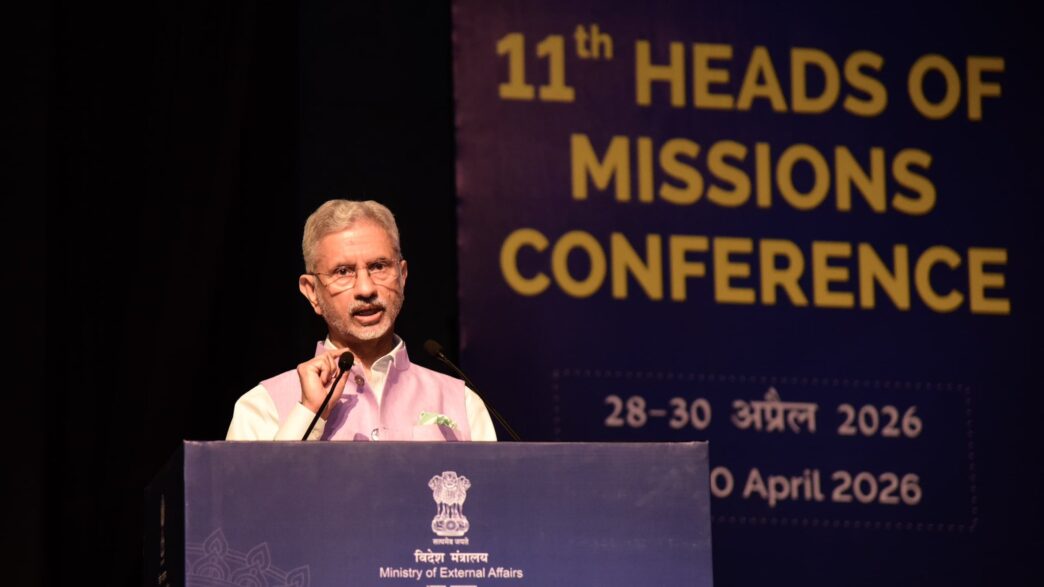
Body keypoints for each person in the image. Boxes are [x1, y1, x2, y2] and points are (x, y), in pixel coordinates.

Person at [226, 199, 496, 441]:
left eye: (379, 266)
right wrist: (309, 413)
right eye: (343, 271)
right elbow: (257, 484)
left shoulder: (463, 404)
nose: (366, 289)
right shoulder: (262, 407)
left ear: (402, 277)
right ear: (312, 292)